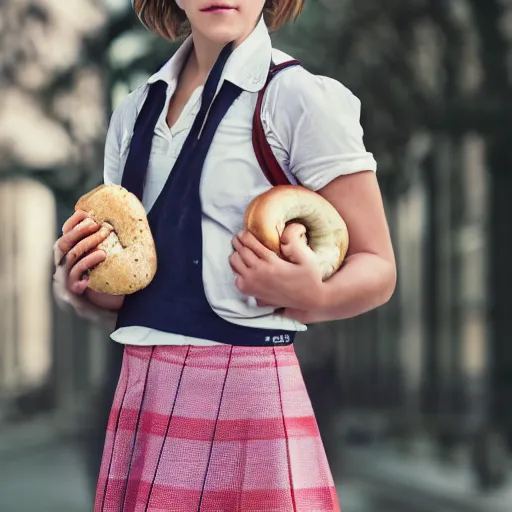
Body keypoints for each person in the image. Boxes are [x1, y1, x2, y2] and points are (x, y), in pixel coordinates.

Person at [53, 0, 396, 510]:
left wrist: (312, 296)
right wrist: (82, 291)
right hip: (143, 385)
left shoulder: (296, 99)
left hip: (250, 389)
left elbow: (379, 267)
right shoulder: (133, 112)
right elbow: (139, 274)